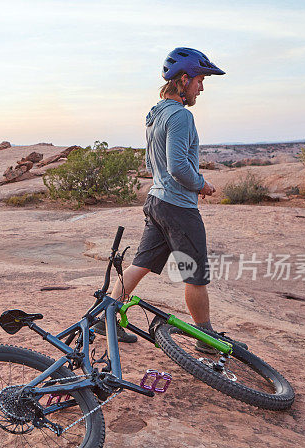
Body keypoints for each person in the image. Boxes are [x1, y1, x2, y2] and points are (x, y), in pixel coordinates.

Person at [99, 47, 225, 352]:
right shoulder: (181, 116)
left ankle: (107, 320)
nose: (202, 87)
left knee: (139, 265)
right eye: (199, 80)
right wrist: (201, 185)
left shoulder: (155, 115)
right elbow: (178, 166)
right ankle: (206, 339)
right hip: (178, 206)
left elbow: (149, 163)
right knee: (195, 274)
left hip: (156, 201)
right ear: (184, 80)